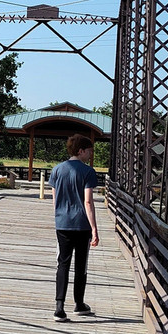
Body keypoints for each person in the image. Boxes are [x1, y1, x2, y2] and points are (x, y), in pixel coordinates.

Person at [48, 133, 99, 322]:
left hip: (62, 223)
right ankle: (79, 303)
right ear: (81, 151)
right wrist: (94, 228)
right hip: (82, 224)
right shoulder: (87, 172)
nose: (90, 154)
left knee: (63, 263)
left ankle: (59, 307)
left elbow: (55, 200)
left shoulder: (57, 170)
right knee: (80, 265)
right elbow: (88, 201)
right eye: (89, 151)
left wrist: (60, 216)